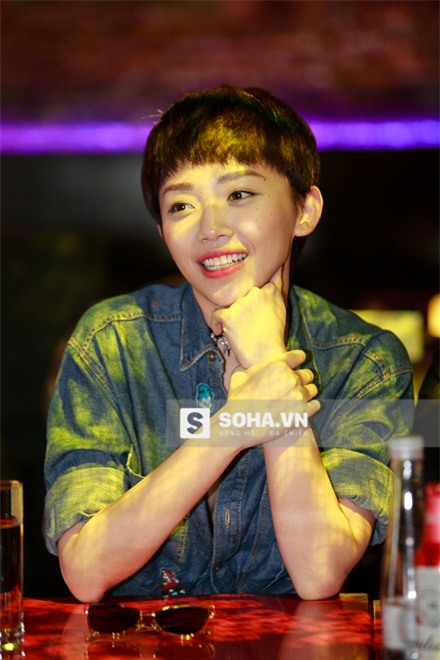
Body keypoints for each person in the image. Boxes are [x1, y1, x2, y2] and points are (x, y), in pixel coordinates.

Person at [44, 85, 414, 603]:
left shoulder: (365, 359)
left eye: (239, 195)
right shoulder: (112, 340)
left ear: (304, 210)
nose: (210, 228)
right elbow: (85, 571)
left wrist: (269, 362)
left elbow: (319, 573)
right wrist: (235, 425)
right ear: (162, 230)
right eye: (181, 205)